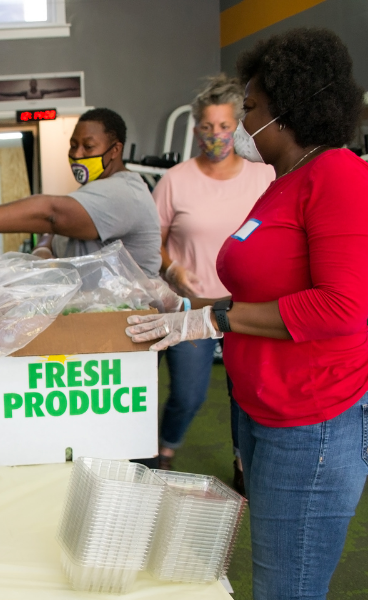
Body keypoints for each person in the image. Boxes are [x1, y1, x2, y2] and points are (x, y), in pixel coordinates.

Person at [125, 28, 368, 600]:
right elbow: (261, 284)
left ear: (289, 109)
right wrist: (189, 309)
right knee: (270, 568)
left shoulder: (338, 176)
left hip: (311, 422)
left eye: (250, 109)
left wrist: (215, 322)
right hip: (258, 409)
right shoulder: (282, 183)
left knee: (286, 586)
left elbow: (343, 305)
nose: (239, 125)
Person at [152, 74, 274, 484]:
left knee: (246, 397)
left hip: (249, 309)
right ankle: (163, 450)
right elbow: (152, 241)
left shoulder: (264, 175)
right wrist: (172, 268)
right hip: (194, 307)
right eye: (208, 127)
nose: (217, 136)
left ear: (238, 127)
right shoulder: (176, 181)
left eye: (225, 127)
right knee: (188, 395)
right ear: (195, 129)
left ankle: (243, 466)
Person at [0, 108, 162, 277]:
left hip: (127, 320)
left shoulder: (122, 193)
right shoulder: (94, 192)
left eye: (88, 147)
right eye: (73, 145)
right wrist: (44, 246)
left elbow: (52, 214)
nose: (77, 154)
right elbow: (60, 229)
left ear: (115, 149)